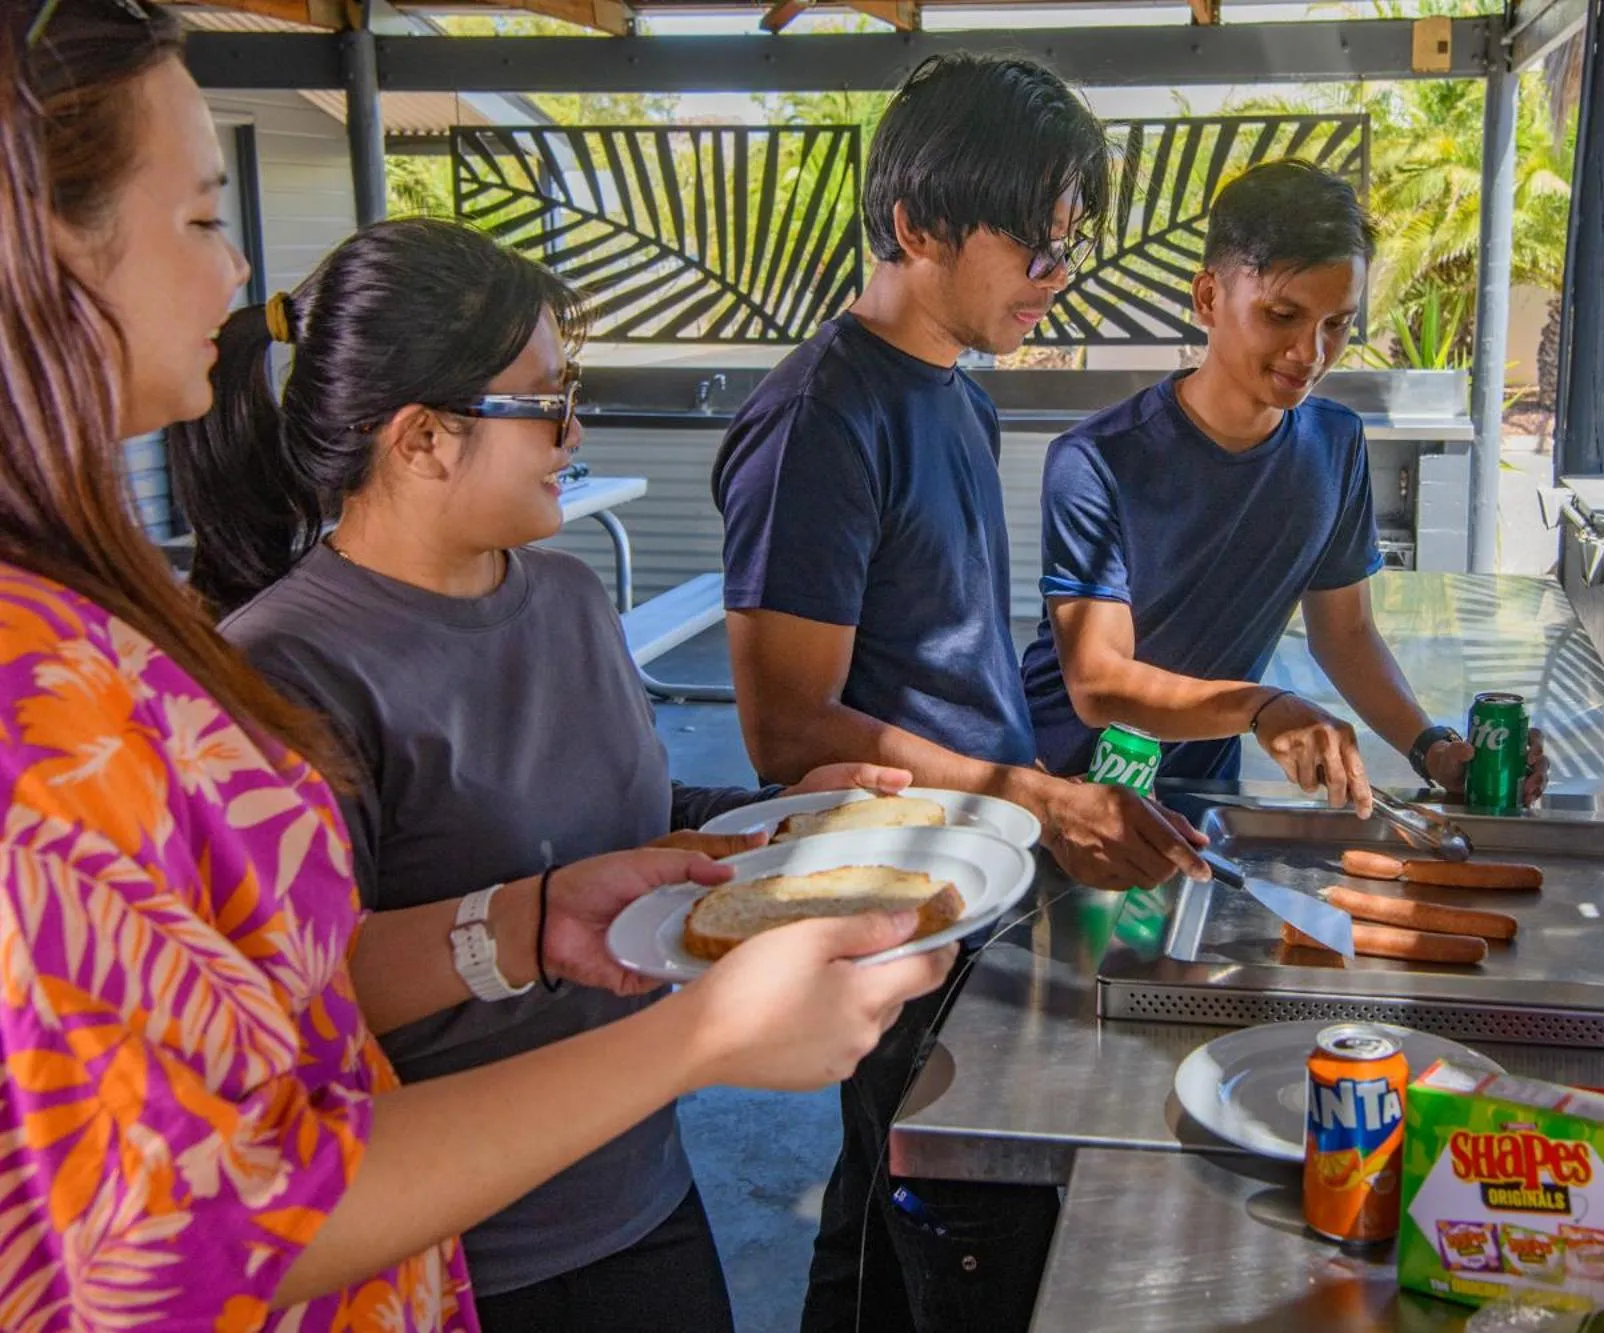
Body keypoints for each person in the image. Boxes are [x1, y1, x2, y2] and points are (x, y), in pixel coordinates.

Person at [0, 4, 951, 1328]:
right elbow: (182, 1227)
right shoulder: (133, 688)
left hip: (578, 1207)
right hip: (486, 1243)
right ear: (422, 441)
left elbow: (305, 971)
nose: (231, 281)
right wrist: (700, 1038)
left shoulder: (549, 596)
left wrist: (592, 899)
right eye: (204, 216)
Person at [166, 217, 910, 1332]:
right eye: (546, 400)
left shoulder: (563, 597)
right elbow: (307, 991)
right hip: (462, 1246)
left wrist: (789, 814)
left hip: (641, 1182)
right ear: (421, 439)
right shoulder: (285, 666)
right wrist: (527, 924)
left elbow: (616, 815)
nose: (573, 429)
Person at [711, 53, 1204, 1333]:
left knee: (885, 1200)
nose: (1056, 280)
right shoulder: (822, 419)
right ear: (918, 224)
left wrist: (1079, 789)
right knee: (899, 1201)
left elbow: (954, 660)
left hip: (987, 864)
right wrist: (1028, 794)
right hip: (896, 891)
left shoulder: (957, 397)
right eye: (1034, 249)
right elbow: (786, 726)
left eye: (1066, 250)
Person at [1019, 160, 1548, 803]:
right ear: (1208, 298)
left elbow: (1346, 634)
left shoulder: (1334, 444)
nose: (1311, 353)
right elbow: (1097, 684)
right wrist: (1262, 706)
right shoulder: (1096, 460)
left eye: (1337, 324)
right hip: (1060, 785)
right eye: (1282, 316)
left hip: (1200, 794)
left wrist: (1432, 749)